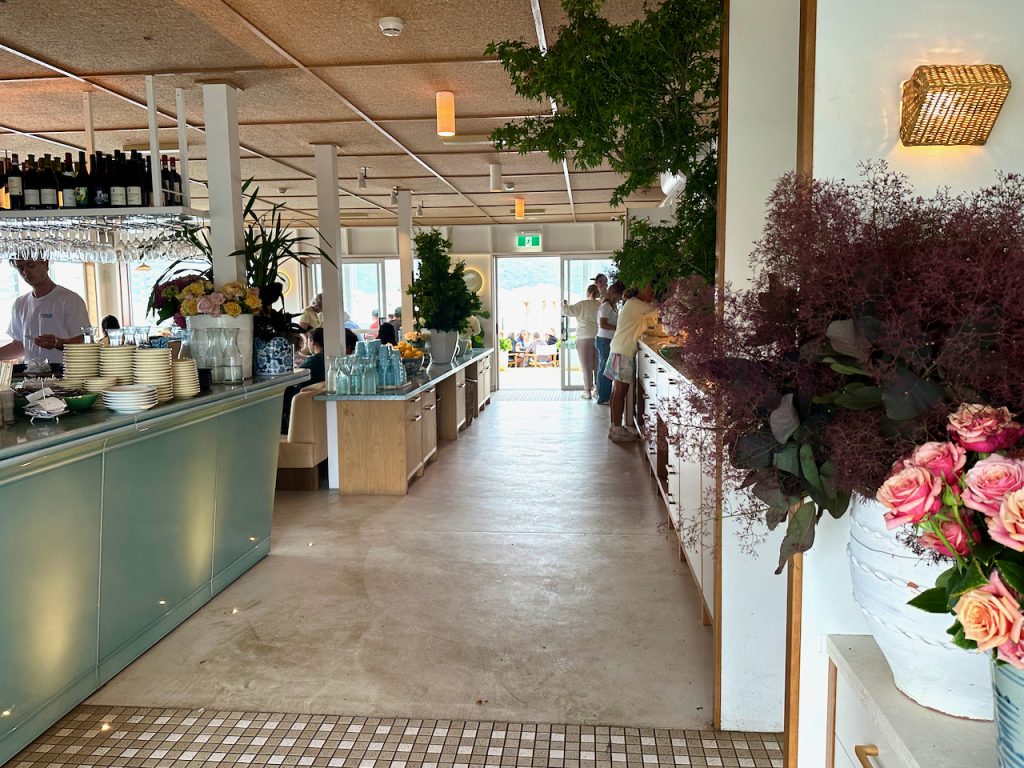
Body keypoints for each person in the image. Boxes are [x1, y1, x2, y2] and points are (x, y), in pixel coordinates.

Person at [0, 259, 90, 364]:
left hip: (65, 375)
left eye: (31, 265)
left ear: (45, 263)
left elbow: (84, 340)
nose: (26, 272)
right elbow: (20, 345)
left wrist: (58, 343)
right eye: (20, 268)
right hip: (32, 376)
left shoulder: (69, 299)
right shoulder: (20, 303)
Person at [605, 284, 659, 443]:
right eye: (651, 289)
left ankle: (615, 427)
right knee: (620, 391)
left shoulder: (633, 303)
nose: (652, 292)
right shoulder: (637, 304)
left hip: (619, 348)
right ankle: (616, 429)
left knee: (617, 391)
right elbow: (660, 312)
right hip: (624, 351)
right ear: (642, 289)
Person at [282, 327, 327, 434]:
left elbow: (298, 376)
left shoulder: (313, 361)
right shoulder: (323, 357)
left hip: (300, 402)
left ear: (312, 342)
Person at [562, 284, 601, 399]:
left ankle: (587, 391)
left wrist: (564, 304)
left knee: (586, 367)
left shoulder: (582, 304)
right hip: (598, 337)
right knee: (598, 366)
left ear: (588, 293)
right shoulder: (601, 305)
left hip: (583, 338)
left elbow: (567, 312)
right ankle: (598, 391)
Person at [594, 281, 624, 405]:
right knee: (606, 369)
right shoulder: (606, 306)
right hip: (604, 340)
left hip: (607, 340)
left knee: (606, 368)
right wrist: (618, 328)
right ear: (616, 294)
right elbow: (603, 324)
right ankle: (603, 397)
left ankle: (602, 394)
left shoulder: (612, 306)